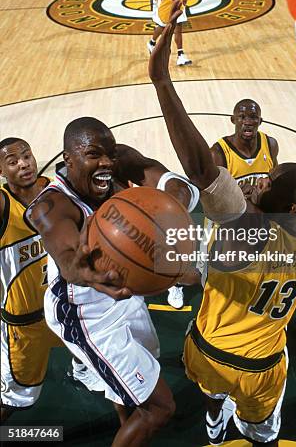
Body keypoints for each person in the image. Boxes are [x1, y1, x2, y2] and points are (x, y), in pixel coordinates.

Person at [148, 0, 296, 446]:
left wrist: (162, 81)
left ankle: (212, 423)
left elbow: (197, 167)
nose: (263, 178)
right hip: (264, 364)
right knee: (263, 435)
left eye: (269, 180)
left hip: (211, 350)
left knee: (211, 393)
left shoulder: (244, 229)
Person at [27, 119, 199, 447]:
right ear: (68, 158)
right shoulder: (50, 206)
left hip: (121, 292)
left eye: (108, 154)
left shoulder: (118, 162)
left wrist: (173, 207)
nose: (105, 162)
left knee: (144, 364)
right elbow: (66, 258)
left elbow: (175, 184)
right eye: (93, 155)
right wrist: (80, 272)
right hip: (84, 312)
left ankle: (127, 421)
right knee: (159, 408)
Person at [211, 100, 296, 340]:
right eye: (242, 116)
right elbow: (215, 194)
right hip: (234, 225)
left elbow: (278, 185)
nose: (248, 121)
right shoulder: (219, 152)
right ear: (233, 120)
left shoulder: (270, 144)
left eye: (253, 117)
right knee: (226, 284)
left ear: (260, 121)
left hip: (266, 220)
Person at [0, 138, 61, 421]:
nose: (23, 163)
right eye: (12, 162)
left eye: (27, 156)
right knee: (13, 401)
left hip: (65, 308)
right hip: (26, 322)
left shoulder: (56, 190)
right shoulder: (4, 208)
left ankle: (83, 366)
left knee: (103, 368)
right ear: (2, 171)